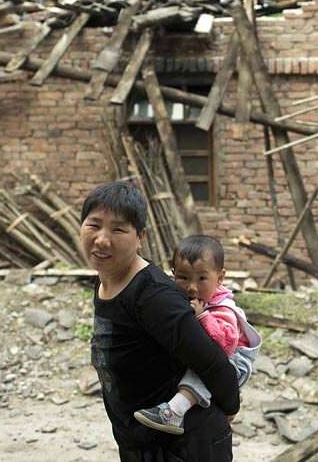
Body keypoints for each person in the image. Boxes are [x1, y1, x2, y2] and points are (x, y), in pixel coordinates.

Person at [80, 182, 239, 462]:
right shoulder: (107, 277)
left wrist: (229, 408)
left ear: (140, 236)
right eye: (94, 225)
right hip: (139, 442)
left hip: (182, 446)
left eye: (118, 229)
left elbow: (214, 363)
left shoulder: (154, 297)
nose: (102, 240)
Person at [133, 235, 261, 436]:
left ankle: (174, 411)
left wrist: (203, 317)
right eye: (183, 278)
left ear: (219, 278)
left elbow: (225, 346)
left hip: (235, 362)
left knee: (201, 370)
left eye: (202, 278)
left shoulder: (223, 309)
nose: (192, 287)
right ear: (173, 274)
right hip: (220, 361)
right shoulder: (186, 298)